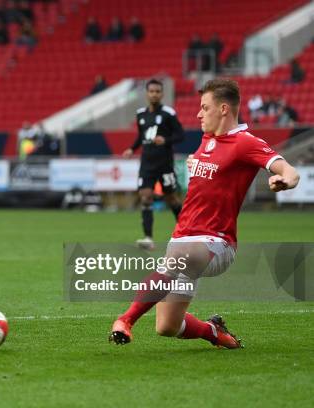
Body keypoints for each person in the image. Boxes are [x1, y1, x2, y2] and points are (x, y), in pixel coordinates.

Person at [111, 78, 299, 349]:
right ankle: (214, 332)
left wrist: (283, 181)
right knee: (167, 326)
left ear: (223, 109)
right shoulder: (207, 140)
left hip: (216, 244)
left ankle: (125, 320)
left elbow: (289, 170)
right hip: (183, 240)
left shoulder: (245, 142)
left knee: (176, 260)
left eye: (204, 107)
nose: (199, 114)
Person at [123, 79, 184, 250]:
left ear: (162, 94)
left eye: (158, 91)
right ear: (147, 93)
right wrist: (131, 148)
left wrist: (165, 140)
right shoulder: (141, 114)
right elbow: (141, 136)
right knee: (146, 196)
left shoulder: (168, 114)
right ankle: (148, 238)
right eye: (152, 91)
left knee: (171, 199)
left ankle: (187, 234)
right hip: (147, 164)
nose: (154, 94)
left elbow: (180, 135)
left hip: (165, 163)